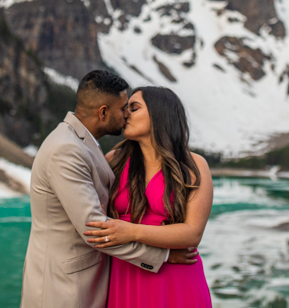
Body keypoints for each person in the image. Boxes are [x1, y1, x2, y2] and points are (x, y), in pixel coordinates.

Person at [20, 71, 198, 308]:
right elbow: (93, 228)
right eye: (124, 108)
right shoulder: (66, 149)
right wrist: (164, 256)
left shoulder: (82, 144)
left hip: (97, 280)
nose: (126, 115)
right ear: (103, 112)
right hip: (63, 287)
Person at [84, 86, 213, 307]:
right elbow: (96, 223)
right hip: (125, 274)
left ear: (159, 114)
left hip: (177, 279)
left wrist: (130, 231)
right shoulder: (113, 161)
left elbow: (192, 234)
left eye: (134, 108)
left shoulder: (194, 165)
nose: (126, 114)